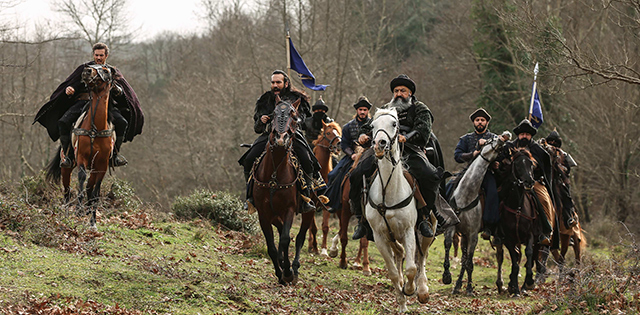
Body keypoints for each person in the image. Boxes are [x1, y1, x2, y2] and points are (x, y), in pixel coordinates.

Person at [350, 74, 459, 240]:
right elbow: (369, 126)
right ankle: (361, 220)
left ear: (410, 93)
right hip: (384, 149)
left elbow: (424, 130)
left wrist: (406, 137)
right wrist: (363, 135)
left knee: (430, 176)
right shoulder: (385, 109)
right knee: (357, 173)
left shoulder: (421, 108)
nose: (398, 94)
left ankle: (424, 217)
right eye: (396, 91)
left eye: (403, 90)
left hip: (410, 149)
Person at [34, 42, 144, 168]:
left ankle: (115, 155)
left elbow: (122, 91)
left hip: (105, 106)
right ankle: (68, 157)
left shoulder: (112, 71)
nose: (98, 58)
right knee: (63, 122)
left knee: (122, 123)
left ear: (106, 56)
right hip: (83, 102)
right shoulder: (85, 69)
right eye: (96, 55)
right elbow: (74, 82)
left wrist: (118, 90)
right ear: (93, 54)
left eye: (101, 55)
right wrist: (70, 89)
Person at [238, 70, 322, 213]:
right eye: (273, 82)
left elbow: (305, 120)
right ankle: (250, 198)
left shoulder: (297, 98)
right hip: (270, 134)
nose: (275, 85)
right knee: (249, 158)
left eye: (278, 82)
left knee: (308, 161)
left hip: (292, 135)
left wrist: (295, 118)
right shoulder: (265, 100)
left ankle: (306, 198)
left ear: (286, 83)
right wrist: (261, 120)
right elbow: (257, 128)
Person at [499, 119, 555, 246]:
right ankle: (496, 230)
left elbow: (545, 166)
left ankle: (545, 230)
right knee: (496, 196)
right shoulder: (509, 147)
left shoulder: (538, 150)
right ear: (518, 135)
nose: (525, 136)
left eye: (527, 134)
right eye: (522, 134)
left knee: (544, 200)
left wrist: (534, 167)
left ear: (531, 135)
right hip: (511, 181)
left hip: (533, 182)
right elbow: (501, 161)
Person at [453, 108, 502, 243]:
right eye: (477, 120)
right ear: (474, 122)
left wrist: (496, 163)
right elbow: (457, 155)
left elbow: (501, 156)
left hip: (486, 174)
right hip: (468, 173)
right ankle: (446, 218)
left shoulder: (494, 139)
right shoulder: (466, 139)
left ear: (487, 122)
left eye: (482, 120)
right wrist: (472, 155)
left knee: (493, 192)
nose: (480, 122)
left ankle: (489, 226)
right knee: (450, 186)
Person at [324, 96, 372, 212]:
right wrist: (352, 154)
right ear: (357, 110)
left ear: (368, 111)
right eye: (360, 110)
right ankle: (333, 202)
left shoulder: (373, 124)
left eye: (365, 110)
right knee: (333, 174)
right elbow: (344, 145)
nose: (362, 112)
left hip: (370, 155)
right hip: (353, 155)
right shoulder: (348, 127)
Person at [544, 130, 578, 229]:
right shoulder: (544, 152)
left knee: (566, 197)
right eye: (551, 141)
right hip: (544, 180)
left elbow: (567, 170)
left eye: (555, 142)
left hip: (558, 181)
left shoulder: (563, 155)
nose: (553, 144)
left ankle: (568, 218)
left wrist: (558, 166)